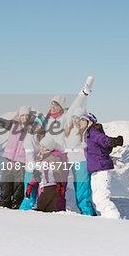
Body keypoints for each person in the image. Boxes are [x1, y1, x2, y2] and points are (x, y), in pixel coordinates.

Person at [42, 76, 95, 210]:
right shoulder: (47, 121)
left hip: (66, 156)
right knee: (53, 187)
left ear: (61, 107)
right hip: (54, 157)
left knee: (79, 190)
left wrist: (84, 91)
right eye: (52, 104)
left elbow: (76, 104)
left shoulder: (66, 117)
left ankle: (87, 213)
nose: (53, 107)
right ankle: (56, 209)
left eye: (56, 105)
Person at [79, 113, 123, 219]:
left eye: (83, 120)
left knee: (102, 196)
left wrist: (114, 141)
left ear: (89, 122)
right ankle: (106, 218)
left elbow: (103, 140)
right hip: (95, 169)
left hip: (102, 168)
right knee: (97, 198)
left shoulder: (93, 132)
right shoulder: (86, 136)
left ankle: (113, 218)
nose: (80, 123)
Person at [64, 107, 96, 216]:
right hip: (73, 163)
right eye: (74, 117)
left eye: (78, 118)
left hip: (82, 163)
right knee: (78, 190)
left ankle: (88, 214)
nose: (75, 120)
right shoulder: (70, 131)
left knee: (83, 191)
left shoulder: (84, 131)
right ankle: (87, 213)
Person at [25, 136, 65, 213]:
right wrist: (30, 185)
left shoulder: (53, 158)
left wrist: (60, 184)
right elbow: (37, 174)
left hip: (49, 187)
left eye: (44, 147)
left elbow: (57, 172)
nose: (41, 148)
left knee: (41, 208)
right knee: (49, 210)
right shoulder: (43, 159)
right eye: (41, 146)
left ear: (49, 149)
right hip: (47, 187)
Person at [19, 114, 47, 211]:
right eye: (35, 124)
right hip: (31, 170)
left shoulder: (40, 136)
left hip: (38, 170)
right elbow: (30, 157)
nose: (37, 126)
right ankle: (22, 213)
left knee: (34, 196)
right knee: (29, 196)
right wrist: (35, 168)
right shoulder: (30, 137)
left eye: (39, 125)